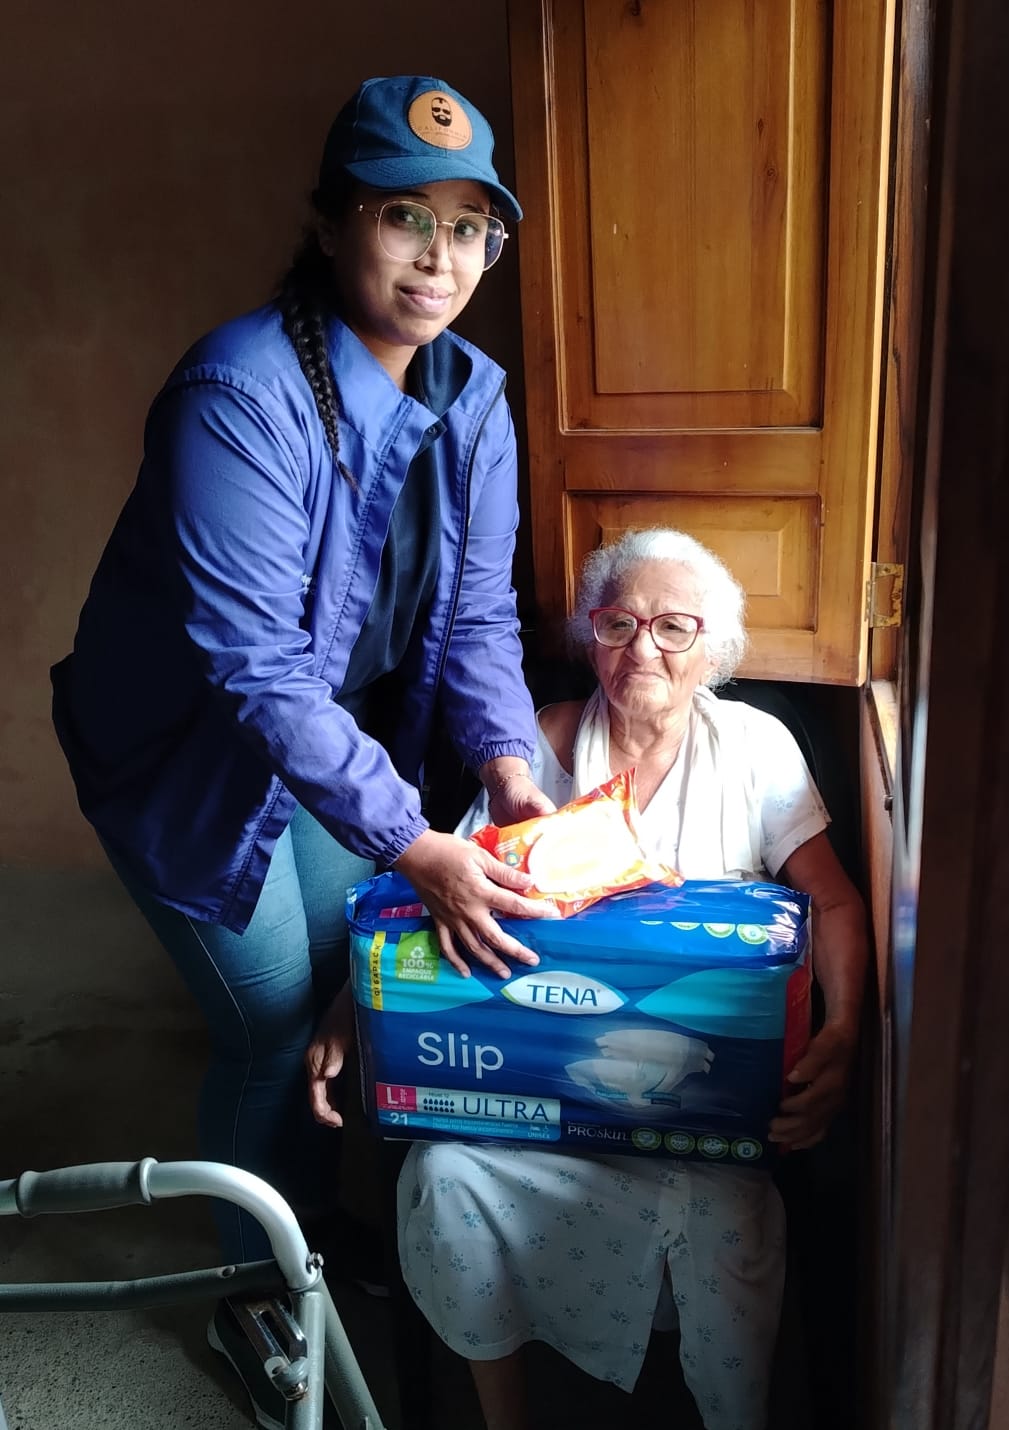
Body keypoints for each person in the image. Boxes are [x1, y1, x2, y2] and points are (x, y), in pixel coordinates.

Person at [50, 73, 559, 1428]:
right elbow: (257, 671)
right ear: (333, 223)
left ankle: (312, 1233)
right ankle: (252, 1295)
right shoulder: (237, 391)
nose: (439, 258)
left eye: (468, 227)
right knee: (271, 1025)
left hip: (325, 751)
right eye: (404, 216)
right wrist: (415, 838)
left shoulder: (474, 396)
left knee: (353, 968)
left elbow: (476, 615)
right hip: (188, 759)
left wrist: (508, 766)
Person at [308, 527, 869, 1430]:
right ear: (591, 637)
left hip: (693, 1113)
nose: (642, 647)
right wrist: (352, 1006)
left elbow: (832, 903)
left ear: (713, 650)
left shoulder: (756, 749)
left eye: (673, 627)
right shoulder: (541, 741)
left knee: (729, 1216)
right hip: (533, 1092)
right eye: (618, 623)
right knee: (446, 1174)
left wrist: (842, 1033)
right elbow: (439, 891)